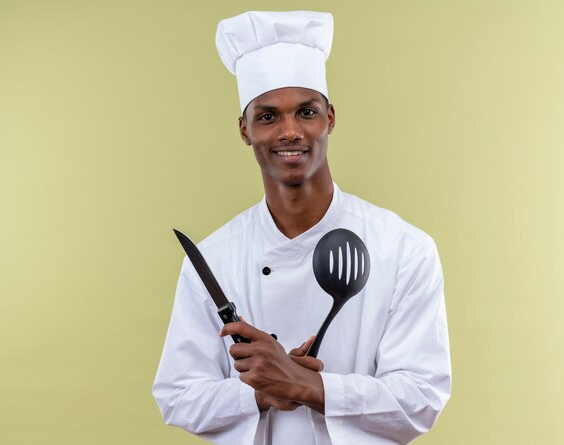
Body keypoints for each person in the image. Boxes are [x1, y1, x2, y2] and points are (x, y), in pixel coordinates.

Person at [152, 10, 451, 445]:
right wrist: (262, 391)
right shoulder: (213, 259)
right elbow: (178, 397)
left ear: (329, 117)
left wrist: (308, 386)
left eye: (305, 112)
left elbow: (422, 397)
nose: (289, 131)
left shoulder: (403, 249)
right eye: (268, 116)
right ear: (244, 129)